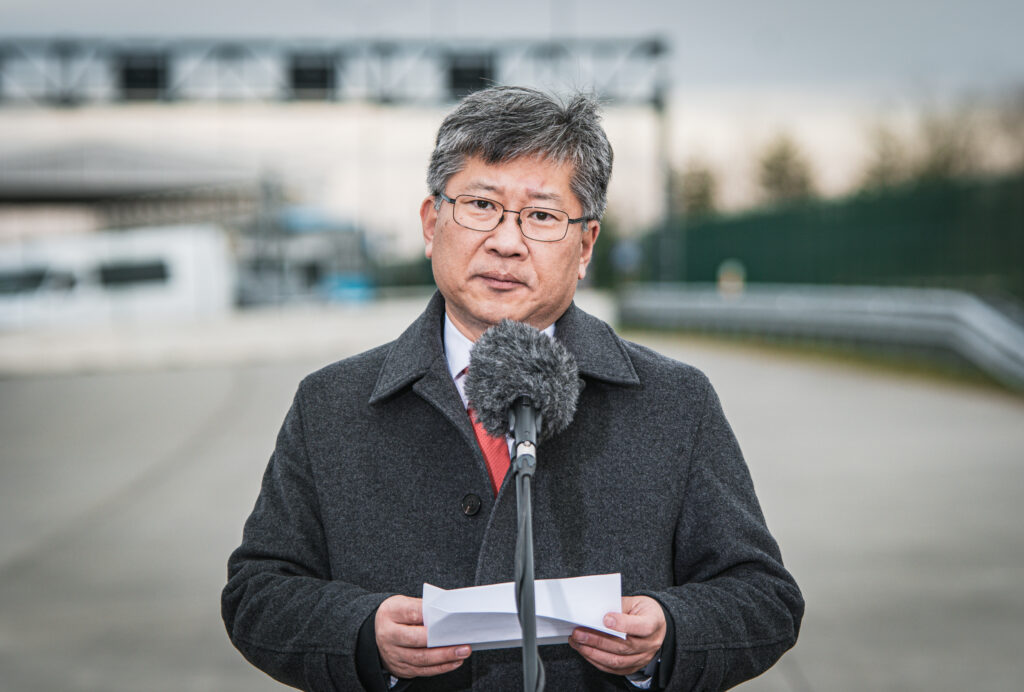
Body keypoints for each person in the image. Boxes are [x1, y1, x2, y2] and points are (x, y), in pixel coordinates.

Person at [222, 86, 803, 691]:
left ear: (586, 246)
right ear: (431, 224)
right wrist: (362, 634)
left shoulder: (674, 402)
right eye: (481, 205)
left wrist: (668, 633)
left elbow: (764, 598)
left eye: (542, 216)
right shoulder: (330, 405)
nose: (506, 241)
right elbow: (257, 593)